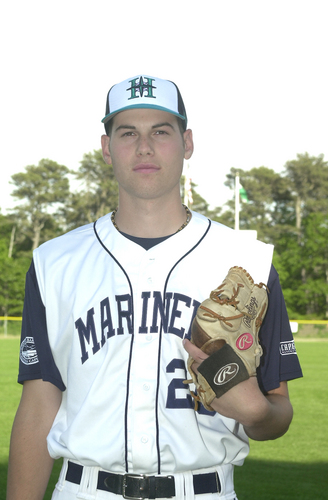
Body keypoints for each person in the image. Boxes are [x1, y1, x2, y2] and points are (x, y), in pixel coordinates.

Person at [7, 74, 302, 500]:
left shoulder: (248, 263)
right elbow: (37, 410)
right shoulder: (55, 262)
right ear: (107, 148)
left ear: (187, 144)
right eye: (128, 133)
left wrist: (256, 413)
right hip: (86, 490)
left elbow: (278, 413)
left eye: (161, 132)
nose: (144, 147)